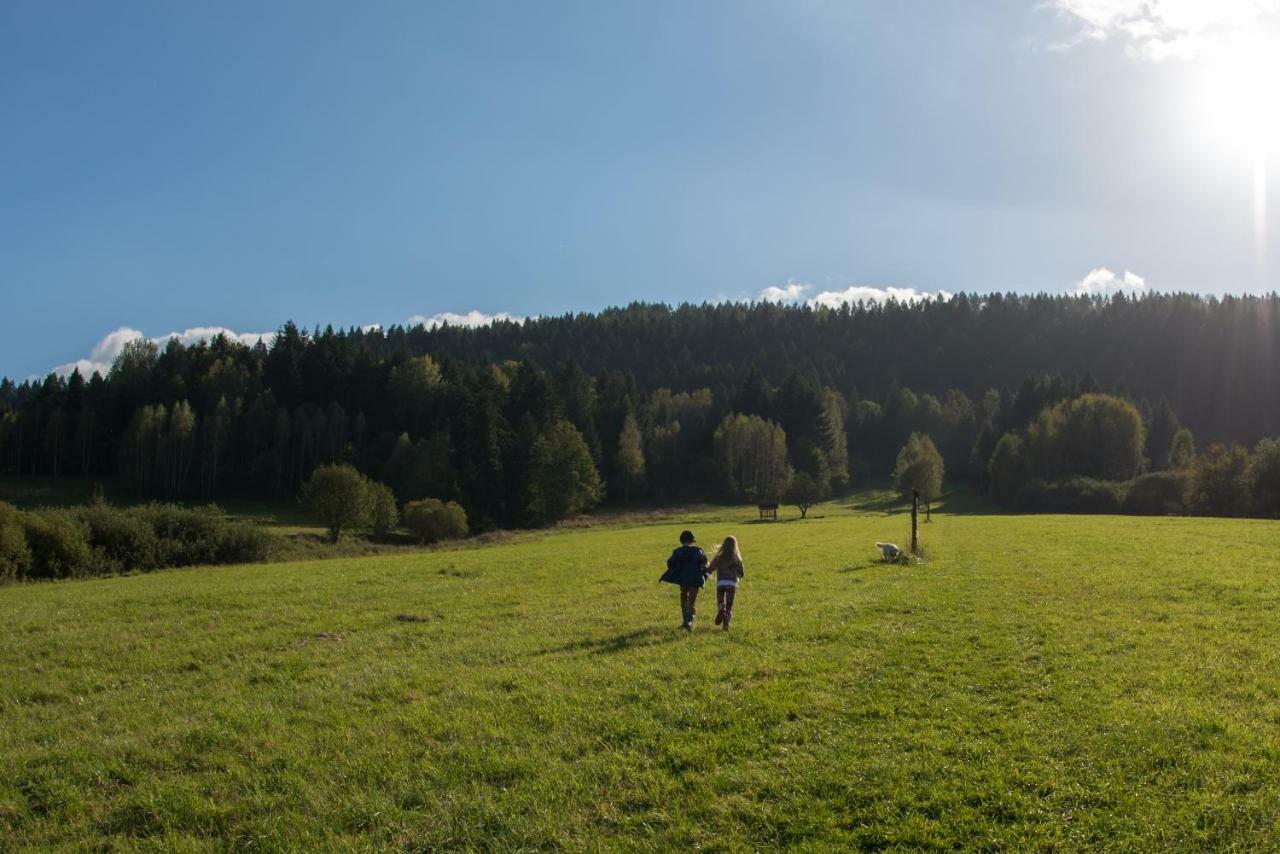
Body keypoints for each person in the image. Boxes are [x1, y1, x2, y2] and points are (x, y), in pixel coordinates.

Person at [660, 529, 708, 631]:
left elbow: (670, 563)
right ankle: (689, 622)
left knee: (684, 597)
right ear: (692, 541)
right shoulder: (698, 550)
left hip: (683, 578)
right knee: (692, 601)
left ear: (681, 541)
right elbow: (704, 561)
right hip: (695, 578)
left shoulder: (677, 552)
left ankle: (686, 621)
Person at [708, 535, 745, 631]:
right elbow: (741, 574)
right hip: (732, 584)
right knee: (729, 606)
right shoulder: (737, 559)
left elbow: (710, 569)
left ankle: (721, 607)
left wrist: (704, 566)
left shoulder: (719, 557)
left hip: (721, 583)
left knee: (721, 601)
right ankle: (725, 625)